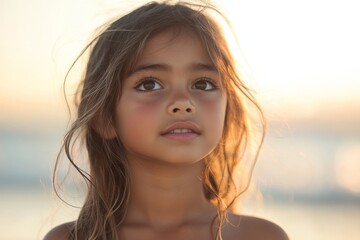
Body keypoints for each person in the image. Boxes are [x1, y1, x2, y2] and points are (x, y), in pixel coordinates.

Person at [44, 1, 288, 239]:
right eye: (150, 84)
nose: (183, 102)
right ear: (104, 117)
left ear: (227, 110)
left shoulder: (261, 236)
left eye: (203, 84)